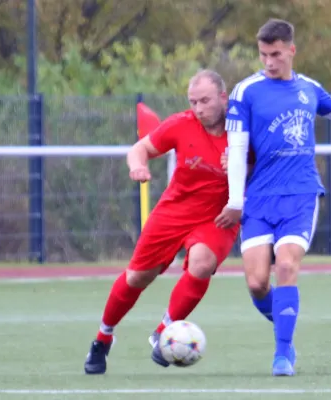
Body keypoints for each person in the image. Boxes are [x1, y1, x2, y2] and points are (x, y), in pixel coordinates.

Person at [215, 18, 331, 376]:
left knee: (287, 265)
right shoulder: (245, 92)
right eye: (263, 54)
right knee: (256, 282)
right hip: (259, 197)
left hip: (301, 193)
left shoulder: (308, 88)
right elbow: (236, 150)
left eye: (276, 54)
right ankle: (286, 333)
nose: (269, 61)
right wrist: (236, 201)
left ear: (291, 50)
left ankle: (282, 355)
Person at [84, 69, 240, 375]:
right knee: (137, 278)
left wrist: (241, 167)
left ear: (223, 97)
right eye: (193, 101)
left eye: (205, 100)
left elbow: (266, 165)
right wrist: (137, 166)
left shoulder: (244, 128)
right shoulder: (182, 124)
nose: (199, 108)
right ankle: (103, 337)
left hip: (218, 216)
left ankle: (163, 332)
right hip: (174, 212)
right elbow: (139, 148)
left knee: (201, 263)